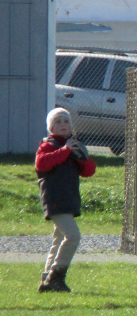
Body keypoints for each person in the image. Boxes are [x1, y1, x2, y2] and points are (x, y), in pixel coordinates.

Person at [35, 107, 97, 292]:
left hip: (68, 199)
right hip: (55, 199)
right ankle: (57, 276)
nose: (63, 124)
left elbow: (88, 171)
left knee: (59, 238)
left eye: (66, 121)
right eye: (58, 121)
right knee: (73, 236)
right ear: (51, 127)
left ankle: (47, 279)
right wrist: (65, 150)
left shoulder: (73, 146)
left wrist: (81, 157)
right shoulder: (48, 145)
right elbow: (42, 164)